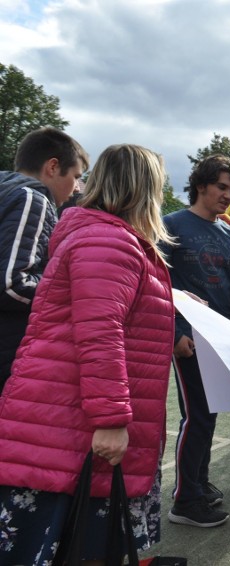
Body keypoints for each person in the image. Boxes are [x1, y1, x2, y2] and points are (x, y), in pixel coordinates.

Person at [0, 144, 175, 563]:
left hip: (65, 425)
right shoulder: (110, 241)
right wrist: (111, 420)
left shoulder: (103, 238)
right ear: (144, 188)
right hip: (73, 431)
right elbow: (100, 332)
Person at [163, 154, 230, 527]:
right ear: (201, 185)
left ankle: (196, 483)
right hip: (189, 341)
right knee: (196, 416)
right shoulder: (170, 225)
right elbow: (159, 286)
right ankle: (185, 501)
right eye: (221, 187)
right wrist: (176, 334)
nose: (228, 196)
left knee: (209, 415)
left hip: (222, 339)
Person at [0, 127, 88, 390]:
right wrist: (71, 290)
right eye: (76, 176)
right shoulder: (32, 198)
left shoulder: (7, 189)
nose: (76, 189)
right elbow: (12, 284)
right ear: (52, 167)